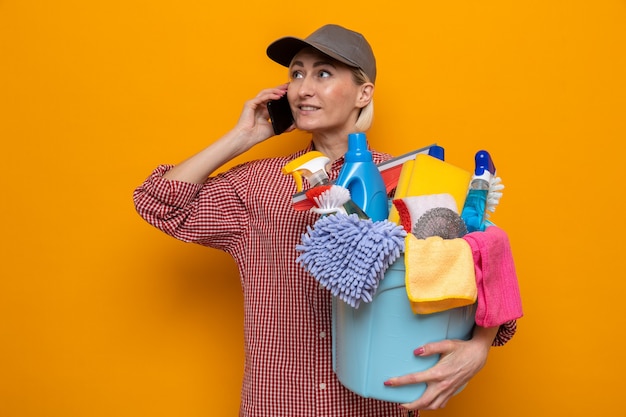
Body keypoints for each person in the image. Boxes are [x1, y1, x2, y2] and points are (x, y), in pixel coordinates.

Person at [133, 24, 517, 417]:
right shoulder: (257, 184)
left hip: (374, 404)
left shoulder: (410, 178)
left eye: (323, 73)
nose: (303, 89)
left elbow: (480, 261)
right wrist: (242, 136)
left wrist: (478, 348)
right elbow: (158, 203)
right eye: (296, 74)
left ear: (363, 93)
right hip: (278, 403)